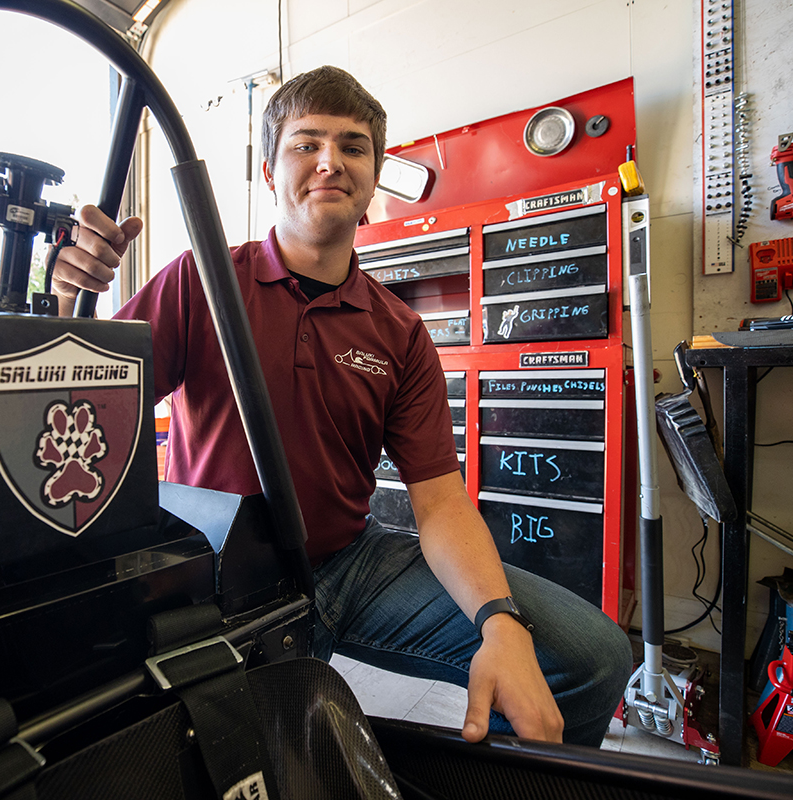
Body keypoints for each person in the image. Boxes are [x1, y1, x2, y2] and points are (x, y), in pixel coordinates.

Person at [51, 65, 631, 746]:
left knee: (595, 658)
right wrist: (68, 304)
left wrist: (499, 621)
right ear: (270, 173)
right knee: (245, 756)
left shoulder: (398, 330)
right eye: (306, 144)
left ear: (372, 180)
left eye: (353, 147)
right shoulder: (202, 279)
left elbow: (440, 500)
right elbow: (77, 411)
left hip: (351, 562)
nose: (331, 161)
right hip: (214, 574)